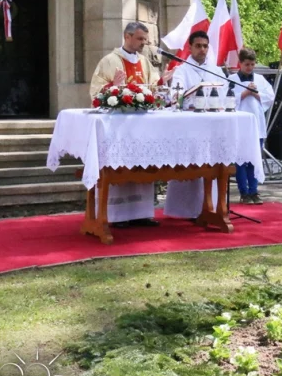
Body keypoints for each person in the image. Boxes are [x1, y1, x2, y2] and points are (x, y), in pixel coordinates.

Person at [88, 21, 168, 227]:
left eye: (145, 39)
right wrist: (112, 85)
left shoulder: (144, 61)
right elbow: (95, 93)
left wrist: (161, 82)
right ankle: (117, 215)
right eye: (140, 39)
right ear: (127, 37)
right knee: (120, 168)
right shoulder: (109, 61)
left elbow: (152, 88)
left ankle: (141, 212)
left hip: (142, 129)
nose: (143, 43)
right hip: (118, 130)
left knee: (142, 167)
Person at [164, 30, 229, 220]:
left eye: (205, 46)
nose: (202, 49)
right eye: (198, 45)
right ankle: (184, 210)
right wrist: (192, 97)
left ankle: (212, 206)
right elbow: (176, 97)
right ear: (190, 47)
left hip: (212, 126)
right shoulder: (182, 70)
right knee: (190, 167)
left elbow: (224, 96)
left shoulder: (216, 70)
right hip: (190, 128)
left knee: (212, 165)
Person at [229, 49, 275, 204]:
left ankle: (254, 190)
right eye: (246, 64)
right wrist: (243, 94)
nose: (249, 67)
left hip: (256, 123)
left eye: (252, 64)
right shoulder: (232, 78)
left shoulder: (260, 79)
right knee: (241, 159)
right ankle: (244, 191)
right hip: (240, 124)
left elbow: (269, 97)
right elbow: (226, 99)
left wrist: (256, 93)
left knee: (255, 158)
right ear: (240, 63)